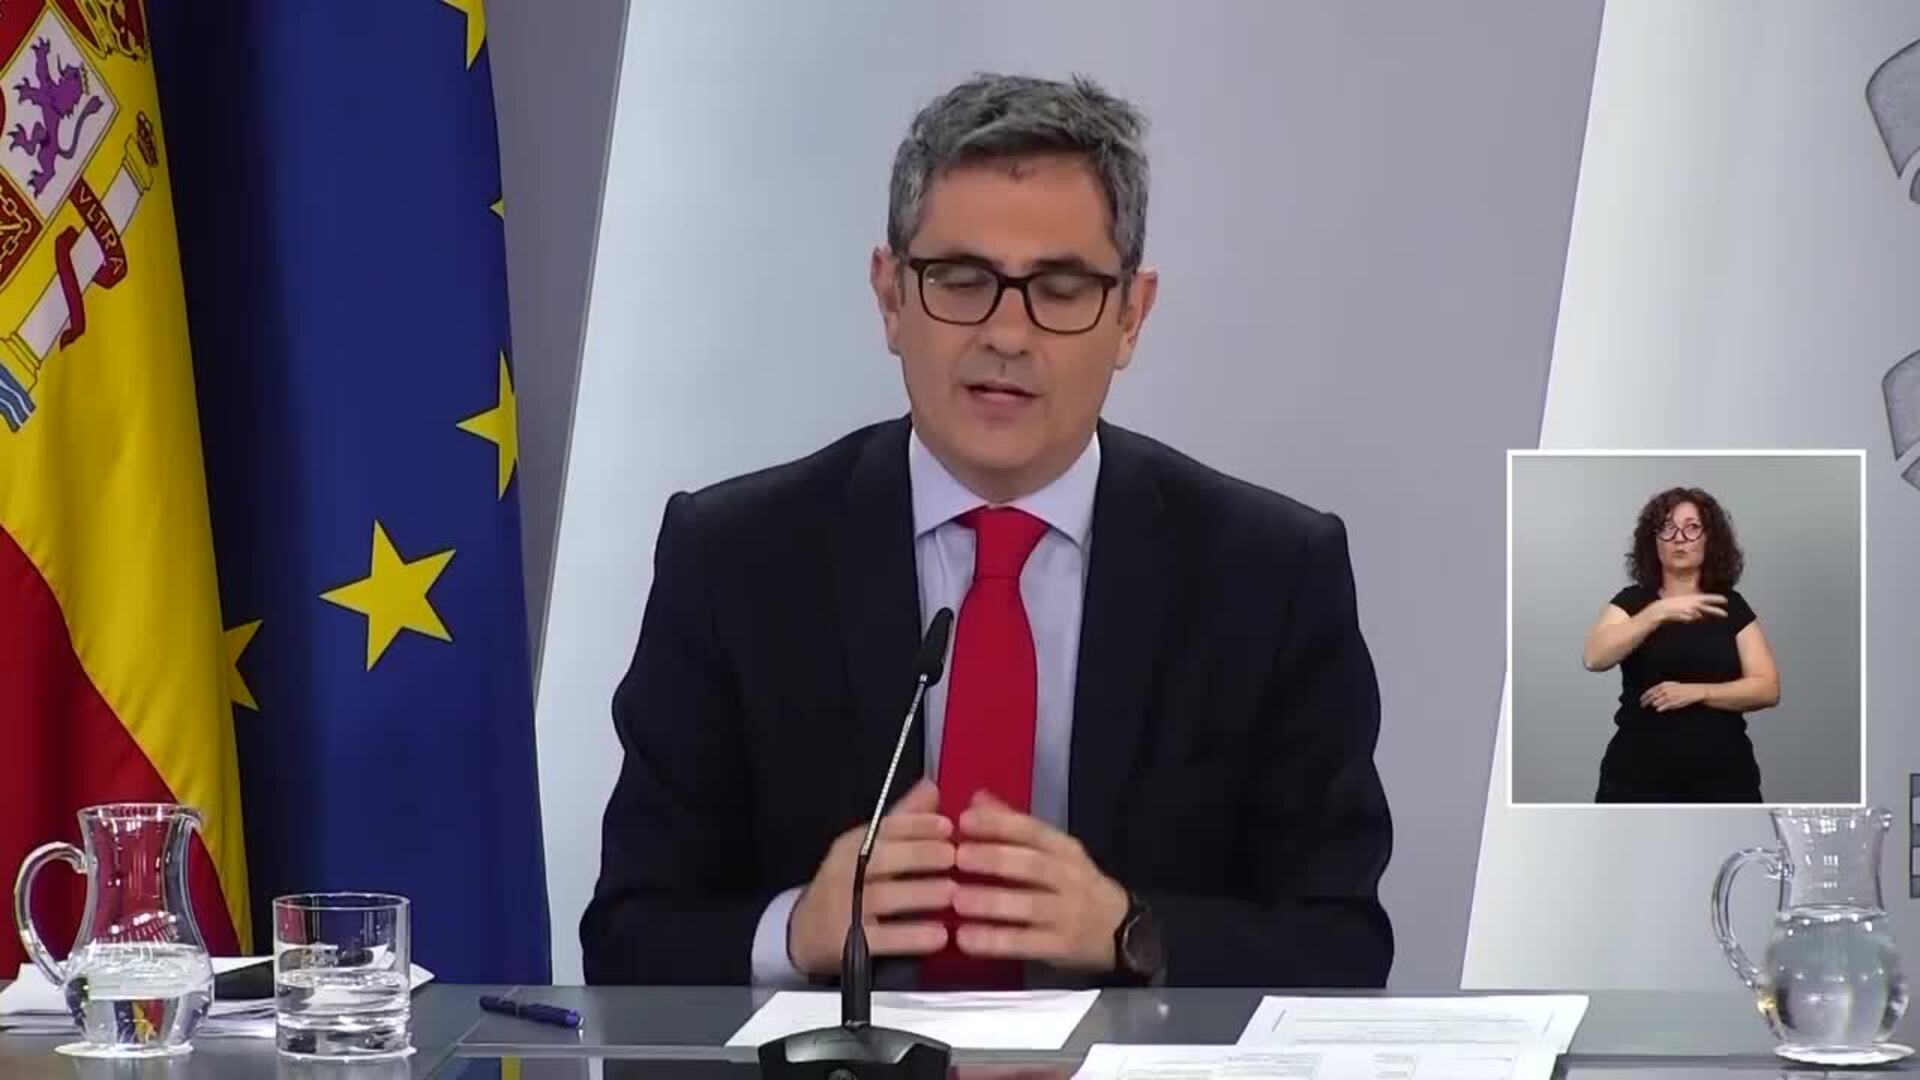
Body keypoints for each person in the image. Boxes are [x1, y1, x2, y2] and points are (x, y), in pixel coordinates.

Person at [581, 73, 1392, 989]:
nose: (1007, 334)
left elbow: (1343, 946)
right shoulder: (735, 560)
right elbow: (628, 937)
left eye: (1061, 288)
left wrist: (1131, 932)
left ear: (1131, 315)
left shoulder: (1269, 575)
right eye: (962, 282)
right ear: (891, 296)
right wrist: (797, 931)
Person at [1580, 486, 1781, 802]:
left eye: (1692, 527)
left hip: (1724, 777)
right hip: (1637, 778)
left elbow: (1767, 688)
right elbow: (1594, 657)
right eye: (1667, 527)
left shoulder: (1730, 606)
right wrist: (1657, 612)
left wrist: (1698, 692)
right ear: (1654, 540)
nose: (1679, 538)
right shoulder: (1632, 602)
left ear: (1709, 539)